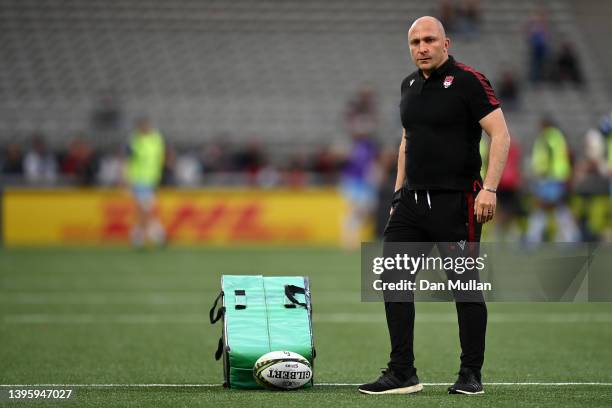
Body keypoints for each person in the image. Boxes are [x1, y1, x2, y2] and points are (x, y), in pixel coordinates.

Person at [358, 16, 510, 396]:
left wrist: (489, 189)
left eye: (429, 40)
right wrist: (396, 196)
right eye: (414, 42)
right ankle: (402, 372)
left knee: (465, 289)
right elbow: (406, 143)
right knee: (392, 279)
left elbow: (501, 134)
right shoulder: (408, 85)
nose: (421, 48)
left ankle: (470, 375)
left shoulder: (469, 81)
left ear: (447, 43)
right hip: (410, 204)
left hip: (457, 204)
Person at [526, 117, 579, 243]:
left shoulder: (548, 137)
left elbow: (547, 156)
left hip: (550, 178)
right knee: (556, 207)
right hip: (558, 177)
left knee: (545, 206)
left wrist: (542, 173)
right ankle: (570, 237)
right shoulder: (558, 136)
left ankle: (534, 238)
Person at [125, 117, 167, 247]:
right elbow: (128, 161)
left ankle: (142, 235)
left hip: (152, 180)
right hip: (139, 179)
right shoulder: (135, 141)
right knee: (144, 209)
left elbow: (160, 159)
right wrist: (127, 179)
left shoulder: (156, 139)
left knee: (144, 209)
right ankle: (154, 235)